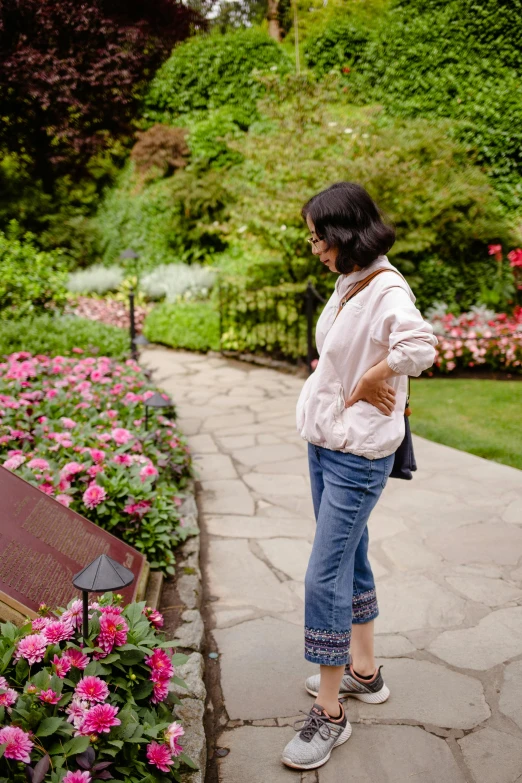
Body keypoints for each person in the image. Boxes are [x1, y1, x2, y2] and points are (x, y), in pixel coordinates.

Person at [281, 182, 438, 771]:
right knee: (350, 558)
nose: (314, 246)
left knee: (323, 575)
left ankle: (330, 714)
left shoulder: (388, 287)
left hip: (357, 454)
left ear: (344, 232)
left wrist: (379, 372)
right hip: (328, 444)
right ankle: (365, 674)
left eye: (318, 235)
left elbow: (420, 347)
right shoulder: (352, 280)